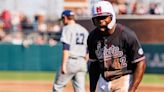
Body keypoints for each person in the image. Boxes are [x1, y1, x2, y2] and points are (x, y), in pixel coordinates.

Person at [87, 1, 146, 92]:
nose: (101, 21)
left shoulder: (126, 35)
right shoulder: (92, 37)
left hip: (123, 79)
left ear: (112, 16)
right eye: (97, 18)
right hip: (103, 80)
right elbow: (93, 65)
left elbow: (140, 62)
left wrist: (132, 89)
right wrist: (92, 89)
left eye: (104, 17)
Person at [53, 10, 89, 92]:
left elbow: (66, 48)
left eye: (62, 19)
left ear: (65, 18)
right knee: (80, 90)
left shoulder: (67, 28)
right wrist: (84, 63)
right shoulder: (83, 30)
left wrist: (63, 65)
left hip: (71, 61)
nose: (62, 21)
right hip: (82, 62)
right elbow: (87, 51)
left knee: (58, 87)